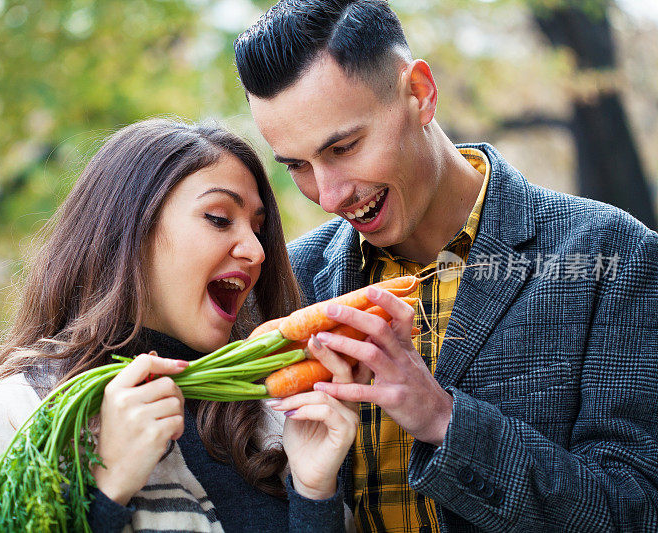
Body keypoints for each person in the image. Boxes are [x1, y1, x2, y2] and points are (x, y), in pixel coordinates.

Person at [233, 1, 658, 531]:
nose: (328, 195)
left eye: (343, 147)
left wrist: (444, 418)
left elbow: (635, 511)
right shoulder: (292, 280)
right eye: (297, 165)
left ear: (420, 93)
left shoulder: (609, 256)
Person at [0, 119, 359, 532]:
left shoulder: (270, 424)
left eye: (258, 230)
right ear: (131, 228)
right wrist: (107, 491)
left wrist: (314, 495)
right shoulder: (26, 415)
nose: (256, 251)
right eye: (219, 218)